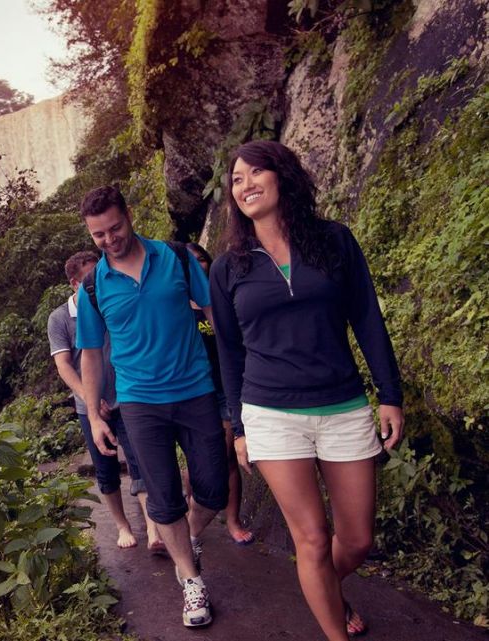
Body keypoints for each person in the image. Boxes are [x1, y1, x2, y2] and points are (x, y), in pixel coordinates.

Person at [209, 140, 403, 641]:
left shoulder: (334, 241)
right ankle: (332, 624)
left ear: (283, 177)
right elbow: (229, 350)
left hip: (343, 406)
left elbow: (367, 318)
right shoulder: (229, 266)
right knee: (313, 539)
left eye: (256, 172)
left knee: (356, 540)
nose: (245, 184)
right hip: (272, 414)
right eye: (236, 178)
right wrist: (239, 426)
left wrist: (389, 394)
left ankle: (321, 586)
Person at [75, 186, 229, 628]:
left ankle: (190, 540)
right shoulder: (93, 286)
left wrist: (239, 369)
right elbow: (89, 352)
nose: (109, 240)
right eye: (99, 235)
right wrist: (95, 413)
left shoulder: (176, 258)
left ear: (130, 215)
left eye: (116, 228)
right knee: (162, 499)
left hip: (195, 388)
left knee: (214, 489)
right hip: (139, 402)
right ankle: (191, 578)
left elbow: (214, 311)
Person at [47, 250, 163, 551]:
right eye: (90, 277)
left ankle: (153, 530)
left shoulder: (112, 303)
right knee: (106, 469)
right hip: (90, 408)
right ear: (75, 283)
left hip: (127, 397)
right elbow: (64, 367)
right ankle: (123, 526)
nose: (98, 282)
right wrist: (90, 397)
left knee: (141, 461)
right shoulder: (59, 319)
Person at [186, 242, 255, 546]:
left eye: (201, 258)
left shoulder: (220, 299)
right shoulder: (175, 306)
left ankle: (233, 520)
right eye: (190, 261)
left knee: (226, 456)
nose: (197, 264)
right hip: (196, 393)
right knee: (200, 460)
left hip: (226, 389)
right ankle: (193, 512)